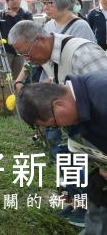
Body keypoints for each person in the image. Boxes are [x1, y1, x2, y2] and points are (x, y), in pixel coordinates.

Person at [9, 19, 107, 227]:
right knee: (74, 167)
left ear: (41, 40)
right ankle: (79, 203)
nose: (27, 60)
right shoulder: (43, 57)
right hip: (82, 132)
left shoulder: (82, 55)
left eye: (27, 54)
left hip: (94, 128)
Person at [17, 76, 107, 233]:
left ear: (58, 105)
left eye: (54, 123)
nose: (60, 127)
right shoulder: (81, 107)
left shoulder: (102, 94)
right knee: (97, 190)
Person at [0, 0, 34, 79]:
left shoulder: (26, 14)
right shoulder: (1, 15)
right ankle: (3, 93)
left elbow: (30, 27)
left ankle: (17, 93)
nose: (15, 1)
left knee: (19, 77)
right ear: (7, 2)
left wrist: (15, 16)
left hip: (21, 51)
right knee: (1, 76)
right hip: (5, 51)